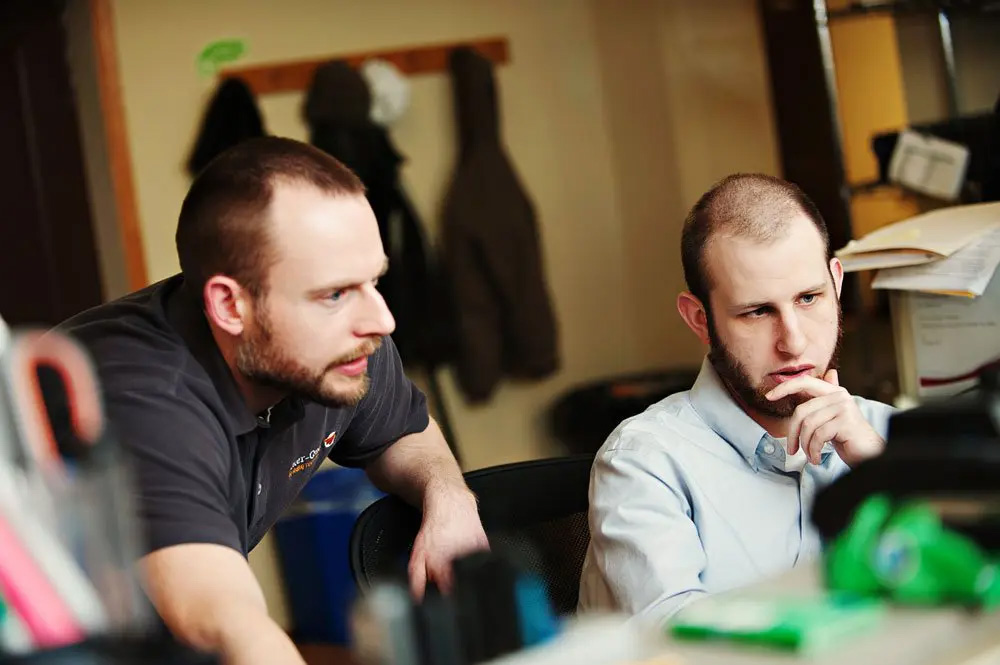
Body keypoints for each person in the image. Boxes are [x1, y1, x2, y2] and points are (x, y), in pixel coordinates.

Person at [59, 137, 489, 664]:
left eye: (374, 281)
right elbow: (225, 623)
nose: (381, 320)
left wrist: (449, 498)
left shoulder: (338, 348)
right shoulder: (145, 398)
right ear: (230, 305)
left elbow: (401, 432)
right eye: (334, 293)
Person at [577, 173, 894, 625]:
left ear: (837, 284)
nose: (794, 341)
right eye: (758, 311)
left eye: (809, 298)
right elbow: (688, 649)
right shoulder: (643, 463)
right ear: (699, 319)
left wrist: (885, 473)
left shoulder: (884, 434)